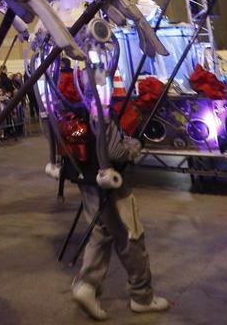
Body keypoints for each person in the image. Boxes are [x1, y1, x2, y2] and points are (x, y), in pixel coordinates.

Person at [67, 108, 169, 320]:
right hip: (107, 179)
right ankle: (142, 296)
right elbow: (114, 151)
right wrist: (134, 146)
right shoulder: (98, 99)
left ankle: (87, 286)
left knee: (100, 232)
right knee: (131, 236)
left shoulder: (70, 101)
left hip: (84, 175)